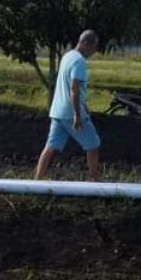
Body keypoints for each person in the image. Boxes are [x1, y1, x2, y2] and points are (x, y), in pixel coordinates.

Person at [34, 30, 101, 182]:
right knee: (93, 143)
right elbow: (74, 89)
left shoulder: (67, 56)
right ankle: (94, 180)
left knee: (50, 147)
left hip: (57, 111)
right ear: (86, 43)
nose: (94, 51)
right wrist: (77, 114)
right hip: (70, 112)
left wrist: (83, 106)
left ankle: (36, 181)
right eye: (94, 47)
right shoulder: (79, 61)